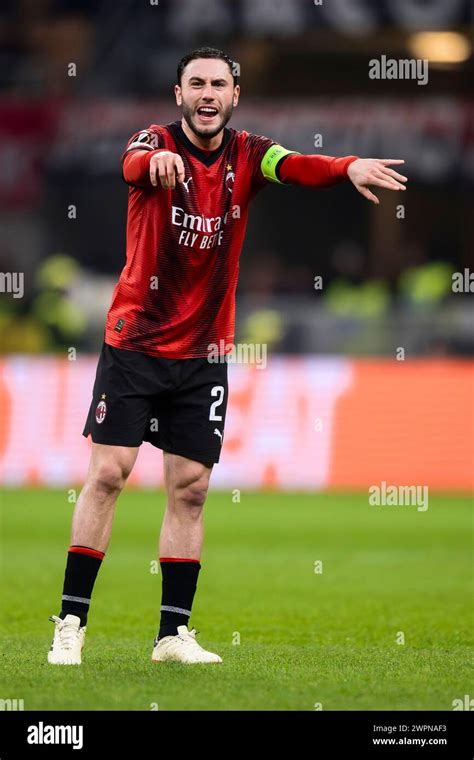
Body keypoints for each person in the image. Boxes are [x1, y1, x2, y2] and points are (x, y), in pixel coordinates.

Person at [47, 46, 407, 666]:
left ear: (234, 95)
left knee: (190, 490)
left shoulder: (249, 153)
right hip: (135, 340)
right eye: (196, 84)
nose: (208, 93)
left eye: (219, 84)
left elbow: (296, 165)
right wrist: (155, 161)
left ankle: (171, 636)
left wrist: (345, 165)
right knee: (109, 474)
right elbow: (132, 162)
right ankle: (71, 625)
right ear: (178, 93)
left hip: (205, 351)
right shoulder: (153, 141)